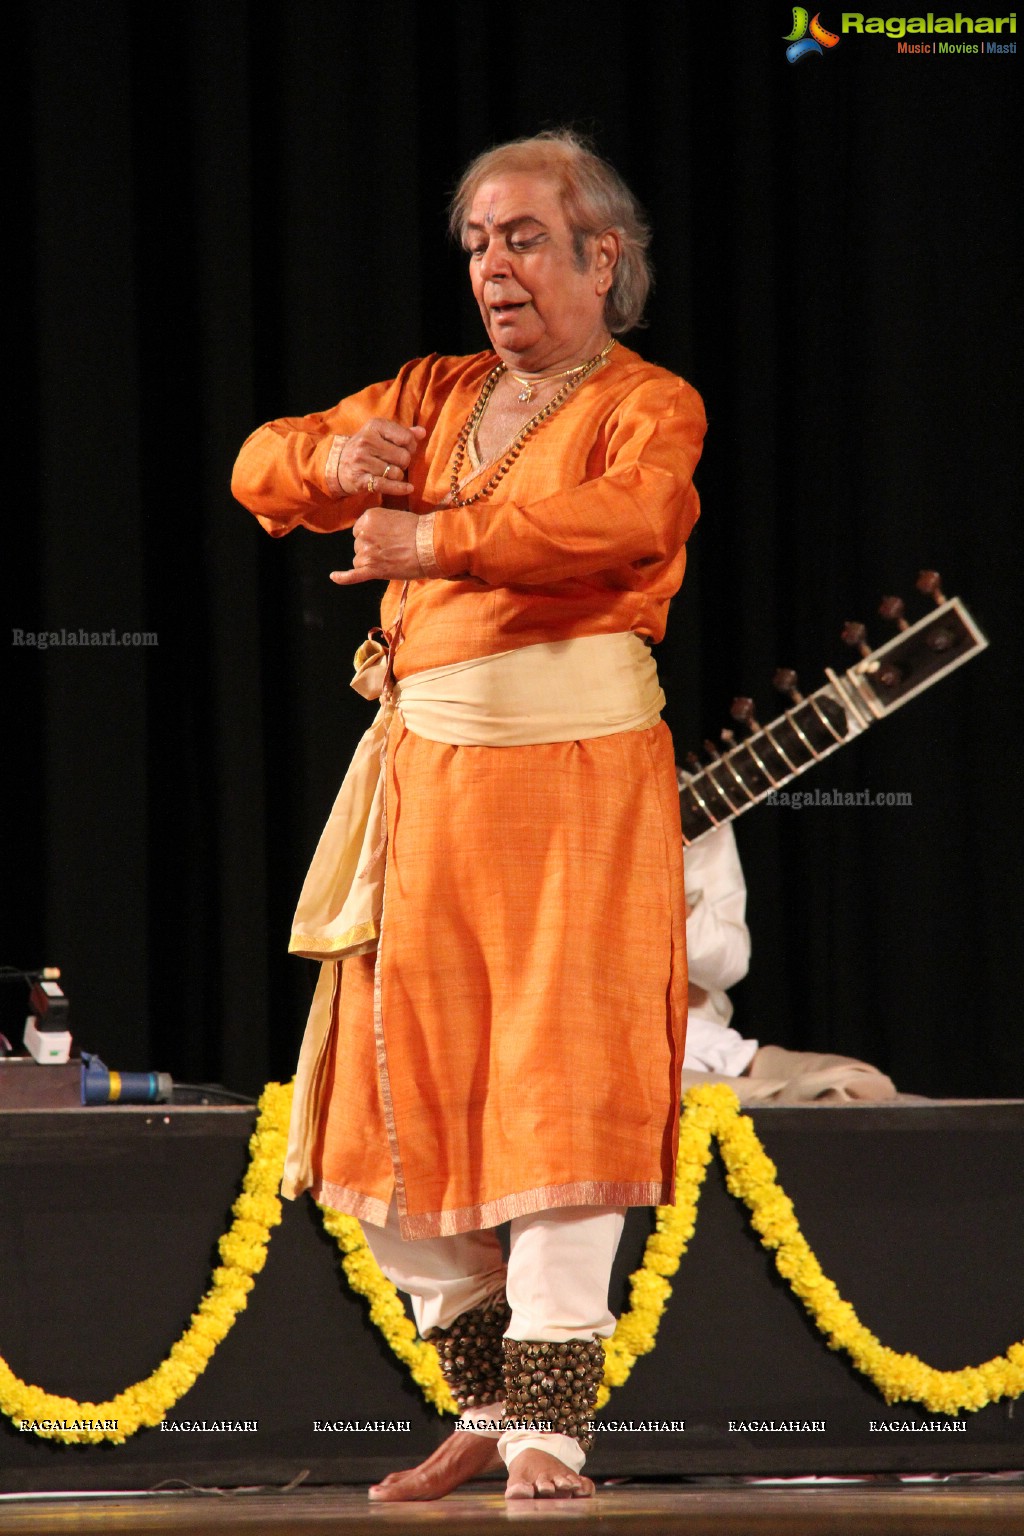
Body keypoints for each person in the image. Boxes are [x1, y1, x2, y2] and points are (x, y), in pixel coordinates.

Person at [231, 130, 706, 1501]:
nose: (495, 267)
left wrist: (433, 539)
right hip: (424, 786)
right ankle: (489, 1399)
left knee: (565, 1088)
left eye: (523, 239)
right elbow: (260, 463)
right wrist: (338, 461)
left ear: (598, 257)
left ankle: (554, 1427)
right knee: (381, 1099)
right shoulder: (435, 393)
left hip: (576, 783)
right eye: (479, 244)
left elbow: (620, 525)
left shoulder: (647, 403)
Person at [682, 824, 899, 1102]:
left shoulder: (689, 803)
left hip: (697, 1042)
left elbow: (729, 965)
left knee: (859, 1081)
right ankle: (777, 1099)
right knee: (815, 1097)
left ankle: (783, 1097)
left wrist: (661, 887)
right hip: (624, 1057)